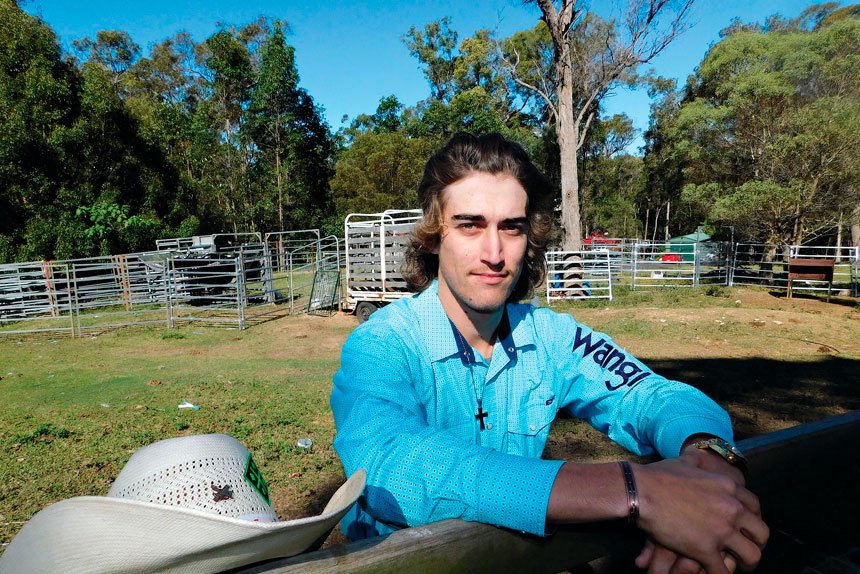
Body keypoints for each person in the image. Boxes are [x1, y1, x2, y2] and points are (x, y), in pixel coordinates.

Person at [331, 133, 768, 573]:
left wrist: (706, 462)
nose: (494, 253)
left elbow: (651, 395)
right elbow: (389, 461)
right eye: (470, 225)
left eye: (511, 227)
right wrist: (634, 492)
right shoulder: (382, 344)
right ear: (432, 236)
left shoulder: (551, 337)